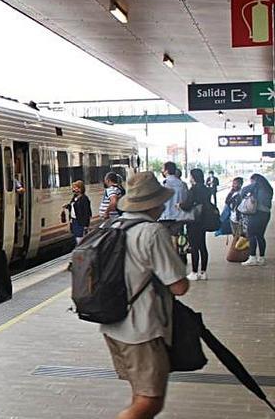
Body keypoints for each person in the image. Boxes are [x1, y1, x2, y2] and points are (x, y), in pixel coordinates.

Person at [100, 172, 190, 419]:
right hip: (141, 329)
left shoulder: (113, 226)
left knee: (139, 394)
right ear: (153, 204)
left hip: (112, 325)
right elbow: (179, 286)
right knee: (150, 402)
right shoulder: (152, 232)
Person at [179, 169, 212, 281]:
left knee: (194, 246)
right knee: (202, 245)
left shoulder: (193, 189)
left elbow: (188, 205)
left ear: (193, 177)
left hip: (193, 221)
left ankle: (194, 272)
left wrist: (180, 205)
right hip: (204, 220)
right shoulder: (206, 189)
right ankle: (203, 272)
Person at [239, 173, 273, 267]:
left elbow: (243, 191)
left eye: (251, 181)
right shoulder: (268, 188)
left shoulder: (257, 185)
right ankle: (261, 258)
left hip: (257, 213)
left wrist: (249, 193)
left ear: (255, 180)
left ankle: (252, 257)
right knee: (260, 236)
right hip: (266, 214)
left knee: (251, 234)